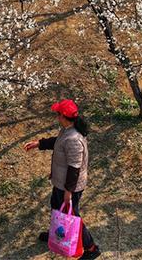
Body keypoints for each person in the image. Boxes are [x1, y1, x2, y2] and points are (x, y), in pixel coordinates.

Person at [24, 99, 101, 260]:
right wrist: (39, 143)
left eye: (58, 114)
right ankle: (56, 233)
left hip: (69, 185)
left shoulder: (74, 139)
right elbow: (58, 143)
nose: (57, 117)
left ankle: (91, 248)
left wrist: (68, 191)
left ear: (64, 117)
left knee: (72, 216)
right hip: (61, 182)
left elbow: (74, 168)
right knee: (56, 208)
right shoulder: (67, 130)